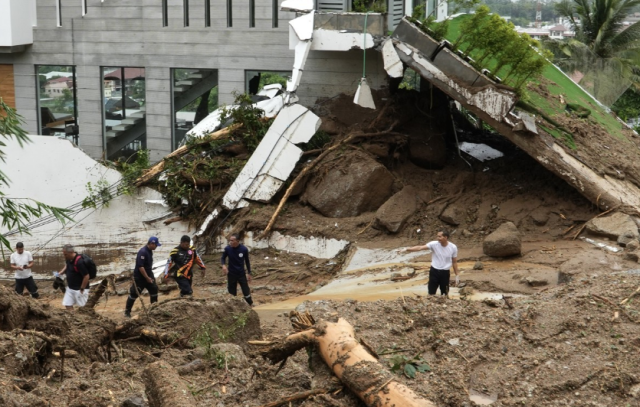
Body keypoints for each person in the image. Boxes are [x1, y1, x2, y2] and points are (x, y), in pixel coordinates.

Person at [398, 229, 459, 296]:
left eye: (440, 236)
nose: (438, 238)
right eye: (437, 236)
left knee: (444, 293)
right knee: (431, 292)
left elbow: (454, 262)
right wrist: (406, 249)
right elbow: (420, 248)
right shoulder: (434, 244)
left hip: (445, 272)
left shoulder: (453, 247)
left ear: (446, 237)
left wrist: (457, 275)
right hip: (434, 271)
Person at [124, 237, 161, 318]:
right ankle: (127, 312)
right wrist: (147, 277)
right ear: (151, 243)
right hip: (140, 277)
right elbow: (141, 267)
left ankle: (154, 309)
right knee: (134, 293)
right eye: (156, 245)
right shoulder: (142, 252)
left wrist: (150, 277)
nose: (156, 247)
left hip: (149, 275)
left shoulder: (150, 251)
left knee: (154, 290)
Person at [221, 234, 253, 306]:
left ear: (237, 241)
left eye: (232, 240)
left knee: (245, 290)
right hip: (231, 273)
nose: (230, 242)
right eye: (230, 240)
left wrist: (249, 273)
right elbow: (223, 258)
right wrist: (223, 265)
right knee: (232, 291)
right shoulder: (227, 249)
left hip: (241, 273)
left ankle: (249, 303)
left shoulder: (244, 249)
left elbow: (247, 261)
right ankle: (233, 306)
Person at [58, 244, 90, 310]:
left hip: (79, 289)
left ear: (71, 252)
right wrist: (61, 272)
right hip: (70, 288)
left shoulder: (80, 262)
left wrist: (82, 288)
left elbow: (86, 276)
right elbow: (67, 265)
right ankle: (73, 319)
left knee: (83, 308)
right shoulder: (68, 259)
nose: (64, 256)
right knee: (67, 304)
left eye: (65, 254)